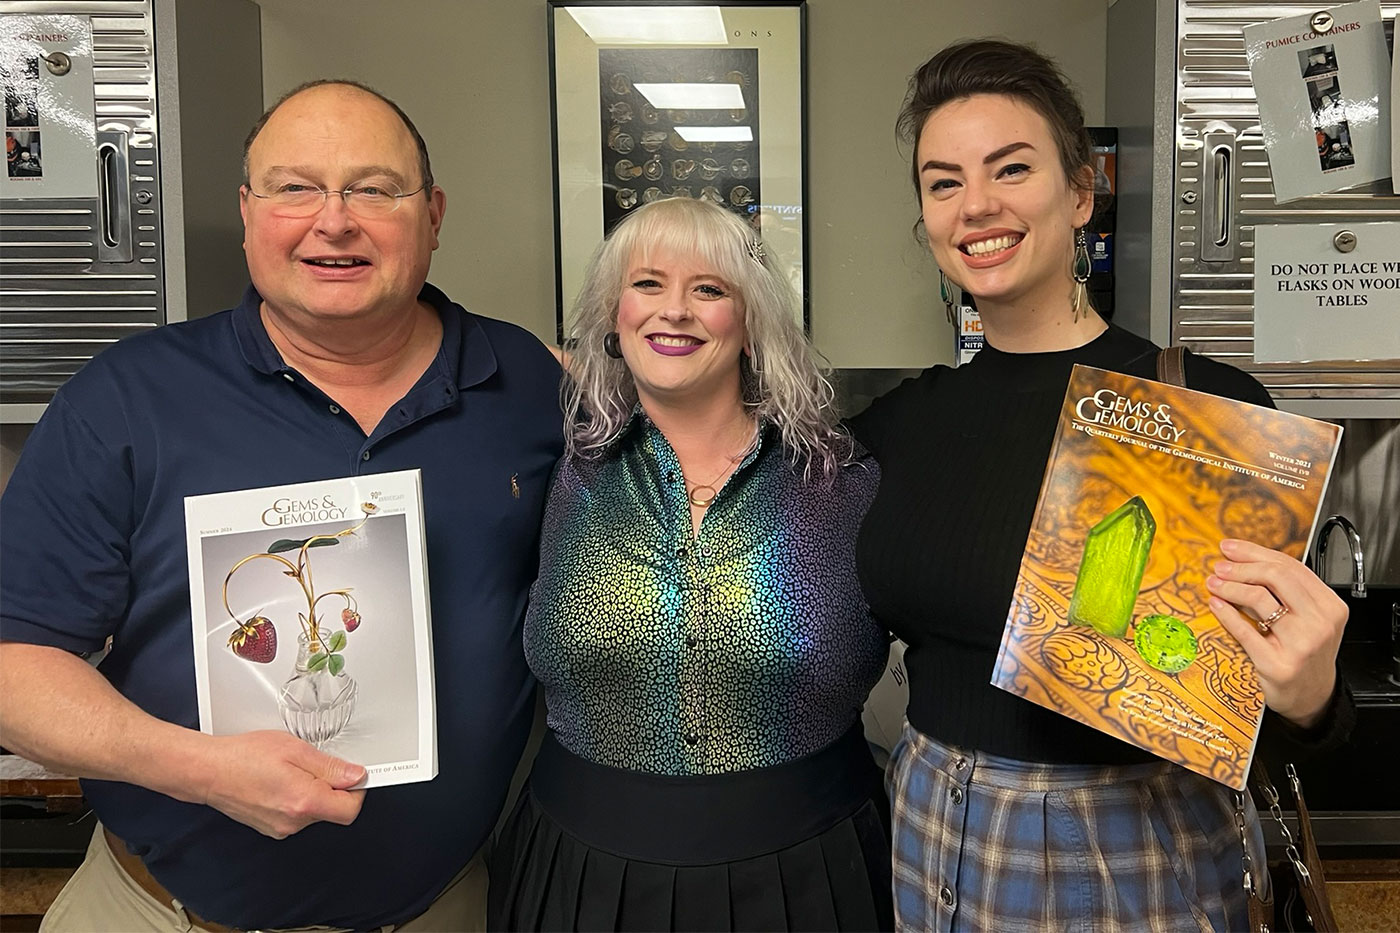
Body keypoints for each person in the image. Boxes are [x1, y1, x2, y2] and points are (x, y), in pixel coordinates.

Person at [0, 79, 563, 931]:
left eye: (374, 188)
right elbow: (13, 663)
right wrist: (196, 767)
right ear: (247, 210)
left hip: (444, 907)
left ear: (434, 214)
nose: (333, 220)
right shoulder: (125, 400)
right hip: (161, 915)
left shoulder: (527, 384)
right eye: (295, 187)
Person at [850, 40, 1355, 932]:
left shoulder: (1209, 410)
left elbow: (1253, 699)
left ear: (1081, 193)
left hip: (1135, 841)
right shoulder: (897, 426)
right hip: (928, 827)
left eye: (1012, 168)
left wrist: (1312, 694)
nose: (978, 205)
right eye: (943, 181)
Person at [488, 197, 893, 932]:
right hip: (579, 877)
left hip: (810, 874)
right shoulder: (554, 463)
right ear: (614, 314)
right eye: (647, 284)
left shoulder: (847, 481)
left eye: (709, 289)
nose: (673, 311)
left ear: (751, 321)